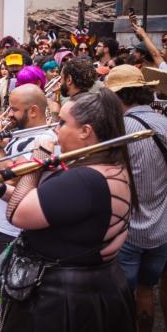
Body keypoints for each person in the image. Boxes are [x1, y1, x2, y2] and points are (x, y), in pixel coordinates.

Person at [0, 89, 135, 331]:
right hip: (91, 288)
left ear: (85, 131)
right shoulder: (109, 166)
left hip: (63, 300)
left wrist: (37, 160)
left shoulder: (84, 179)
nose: (55, 131)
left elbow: (17, 213)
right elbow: (43, 204)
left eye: (61, 123)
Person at [106, 65, 167, 332]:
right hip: (161, 228)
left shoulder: (119, 128)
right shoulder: (164, 122)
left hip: (127, 229)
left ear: (118, 96)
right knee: (146, 289)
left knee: (123, 298)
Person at [0, 84, 53, 287]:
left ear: (33, 111)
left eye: (14, 109)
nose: (8, 115)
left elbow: (14, 179)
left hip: (12, 230)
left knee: (8, 287)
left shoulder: (44, 141)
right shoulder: (20, 132)